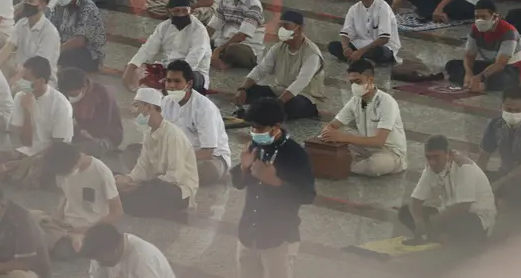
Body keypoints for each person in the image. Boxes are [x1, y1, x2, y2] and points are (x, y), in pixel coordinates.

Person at [231, 98, 315, 278]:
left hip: (279, 238)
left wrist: (275, 181)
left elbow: (307, 195)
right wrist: (244, 169)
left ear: (276, 127)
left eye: (259, 128)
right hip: (248, 233)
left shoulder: (295, 155)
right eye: (252, 127)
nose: (254, 132)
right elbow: (238, 183)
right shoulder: (254, 146)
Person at [399, 134, 496, 245]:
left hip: (476, 217)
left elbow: (463, 206)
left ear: (448, 154)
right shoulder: (431, 167)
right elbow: (415, 200)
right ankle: (439, 236)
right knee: (405, 212)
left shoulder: (465, 167)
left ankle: (442, 237)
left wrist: (437, 219)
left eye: (436, 157)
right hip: (448, 214)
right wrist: (418, 221)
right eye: (429, 157)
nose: (432, 162)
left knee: (461, 223)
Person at [116, 88, 199, 217]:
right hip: (154, 184)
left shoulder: (173, 135)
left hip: (178, 191)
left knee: (137, 199)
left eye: (137, 106)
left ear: (148, 107)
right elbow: (142, 167)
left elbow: (174, 176)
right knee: (114, 178)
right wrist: (128, 179)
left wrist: (139, 187)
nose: (134, 110)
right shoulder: (149, 132)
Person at [321, 60, 407, 176]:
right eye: (351, 82)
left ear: (370, 80)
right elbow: (333, 125)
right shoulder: (355, 101)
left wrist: (343, 137)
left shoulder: (387, 103)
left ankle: (343, 166)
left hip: (390, 152)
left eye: (357, 81)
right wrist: (328, 133)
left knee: (375, 166)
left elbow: (379, 141)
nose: (354, 86)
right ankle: (349, 165)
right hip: (364, 147)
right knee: (330, 150)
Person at [234, 10, 325, 120]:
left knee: (291, 106)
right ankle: (267, 110)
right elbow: (261, 69)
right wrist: (242, 89)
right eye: (280, 26)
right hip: (278, 90)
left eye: (286, 26)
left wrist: (279, 102)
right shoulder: (278, 48)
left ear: (299, 28)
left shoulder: (312, 53)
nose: (282, 30)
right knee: (249, 91)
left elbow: (301, 82)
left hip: (304, 96)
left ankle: (265, 111)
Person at [39, 143, 122, 260]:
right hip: (65, 224)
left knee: (62, 251)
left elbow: (117, 212)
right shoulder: (61, 170)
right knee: (32, 220)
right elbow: (66, 194)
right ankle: (64, 237)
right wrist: (58, 213)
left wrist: (87, 230)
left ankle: (67, 238)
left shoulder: (101, 172)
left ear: (77, 161)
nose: (64, 176)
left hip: (90, 228)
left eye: (66, 173)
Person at [124, 0, 212, 92]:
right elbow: (147, 50)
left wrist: (170, 78)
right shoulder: (163, 27)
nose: (181, 14)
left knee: (183, 80)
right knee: (136, 69)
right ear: (169, 12)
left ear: (191, 11)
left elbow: (194, 59)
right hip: (167, 70)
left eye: (184, 11)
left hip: (193, 72)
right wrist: (130, 67)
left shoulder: (199, 30)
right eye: (176, 11)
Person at [162, 60, 231, 184]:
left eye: (177, 81)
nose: (171, 85)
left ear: (188, 84)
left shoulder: (204, 108)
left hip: (210, 158)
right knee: (134, 153)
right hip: (178, 154)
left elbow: (207, 152)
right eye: (168, 81)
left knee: (205, 171)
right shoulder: (165, 102)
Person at [476, 86, 521, 205]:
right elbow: (483, 157)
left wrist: (498, 185)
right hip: (504, 174)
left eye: (517, 110)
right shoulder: (495, 125)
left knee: (510, 196)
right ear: (501, 106)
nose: (513, 113)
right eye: (508, 109)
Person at [445, 0, 521, 92]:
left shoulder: (508, 32)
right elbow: (469, 56)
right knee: (452, 65)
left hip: (511, 69)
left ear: (495, 17)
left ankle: (480, 84)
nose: (480, 21)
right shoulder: (475, 29)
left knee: (502, 80)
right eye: (477, 17)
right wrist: (468, 73)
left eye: (484, 17)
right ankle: (476, 83)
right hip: (491, 65)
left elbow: (500, 64)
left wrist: (479, 77)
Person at [10, 56, 74, 159]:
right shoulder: (20, 96)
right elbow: (25, 142)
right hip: (27, 152)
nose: (21, 81)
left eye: (26, 79)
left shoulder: (61, 105)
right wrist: (27, 112)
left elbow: (58, 145)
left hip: (52, 156)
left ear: (40, 81)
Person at [0, 0, 61, 83]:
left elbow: (38, 67)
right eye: (24, 0)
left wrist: (13, 81)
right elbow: (7, 48)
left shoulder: (49, 32)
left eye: (30, 1)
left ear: (42, 5)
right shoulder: (21, 24)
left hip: (39, 80)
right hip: (20, 72)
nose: (25, 4)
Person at [329, 0, 401, 64]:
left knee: (380, 52)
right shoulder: (354, 9)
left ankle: (359, 58)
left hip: (381, 47)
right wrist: (346, 48)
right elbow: (346, 33)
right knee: (333, 46)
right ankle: (361, 59)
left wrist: (360, 52)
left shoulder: (383, 8)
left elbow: (384, 39)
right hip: (360, 44)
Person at [207, 0, 266, 69]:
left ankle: (222, 60)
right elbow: (212, 26)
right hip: (224, 42)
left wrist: (218, 50)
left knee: (232, 49)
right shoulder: (225, 1)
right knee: (204, 39)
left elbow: (241, 36)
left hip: (247, 48)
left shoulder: (254, 4)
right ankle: (220, 57)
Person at [58, 68, 122, 157]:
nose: (70, 98)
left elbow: (101, 128)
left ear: (84, 87)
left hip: (103, 136)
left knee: (71, 153)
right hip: (77, 132)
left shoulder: (102, 94)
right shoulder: (64, 91)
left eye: (73, 95)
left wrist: (79, 132)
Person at [51, 0, 107, 72]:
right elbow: (51, 29)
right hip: (63, 48)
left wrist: (56, 50)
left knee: (70, 56)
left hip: (88, 54)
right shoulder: (58, 5)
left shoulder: (88, 8)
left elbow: (80, 41)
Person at [80, 224, 176, 278]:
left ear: (115, 250)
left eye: (102, 261)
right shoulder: (101, 252)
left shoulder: (143, 260)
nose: (100, 264)